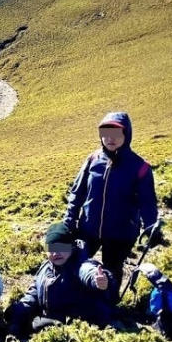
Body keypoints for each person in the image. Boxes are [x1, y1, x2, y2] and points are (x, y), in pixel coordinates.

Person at [63, 112, 159, 300]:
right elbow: (77, 192)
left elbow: (147, 201)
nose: (110, 139)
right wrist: (70, 218)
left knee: (112, 268)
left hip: (121, 233)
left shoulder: (140, 168)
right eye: (105, 134)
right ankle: (74, 297)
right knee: (77, 261)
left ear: (127, 134)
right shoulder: (92, 160)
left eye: (116, 134)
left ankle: (110, 305)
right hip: (88, 228)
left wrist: (151, 227)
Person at [7, 223, 113, 340]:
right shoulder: (45, 268)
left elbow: (88, 271)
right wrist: (18, 312)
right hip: (50, 316)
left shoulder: (79, 265)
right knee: (15, 314)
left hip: (78, 323)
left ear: (71, 247)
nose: (56, 253)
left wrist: (99, 281)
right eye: (51, 248)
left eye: (61, 247)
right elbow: (33, 294)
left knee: (39, 324)